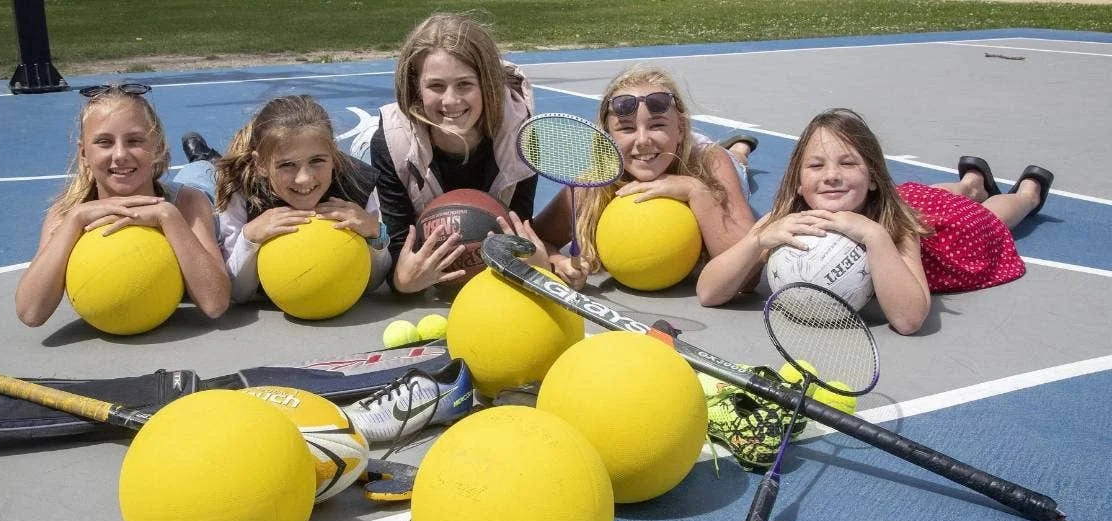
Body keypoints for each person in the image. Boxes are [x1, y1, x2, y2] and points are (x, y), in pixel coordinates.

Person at [696, 108, 1052, 335]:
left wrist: (874, 235)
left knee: (988, 218)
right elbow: (709, 293)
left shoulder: (893, 226)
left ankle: (1026, 194)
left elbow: (909, 320)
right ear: (799, 184)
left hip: (945, 234)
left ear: (874, 177)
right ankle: (970, 183)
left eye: (848, 163)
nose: (831, 176)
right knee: (933, 194)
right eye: (816, 166)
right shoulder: (785, 220)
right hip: (906, 200)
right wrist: (757, 241)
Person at [15, 83, 231, 327]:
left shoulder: (187, 203)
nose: (120, 155)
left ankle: (204, 159)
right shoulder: (67, 213)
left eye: (134, 140)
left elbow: (215, 304)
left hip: (202, 189)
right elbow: (31, 313)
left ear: (157, 147)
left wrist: (168, 217)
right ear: (83, 154)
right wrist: (75, 220)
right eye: (104, 142)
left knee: (206, 174)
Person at [531, 65, 758, 289]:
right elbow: (538, 239)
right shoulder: (591, 187)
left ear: (680, 128)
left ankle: (740, 149)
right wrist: (559, 263)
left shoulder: (711, 163)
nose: (642, 140)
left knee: (737, 161)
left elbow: (749, 278)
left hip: (695, 154)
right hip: (666, 151)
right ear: (607, 136)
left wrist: (696, 191)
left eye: (656, 125)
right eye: (627, 129)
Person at [370, 12, 539, 294]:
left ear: (488, 85)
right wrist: (402, 280)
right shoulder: (390, 145)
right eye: (436, 86)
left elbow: (520, 231)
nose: (451, 100)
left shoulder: (522, 136)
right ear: (416, 88)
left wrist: (543, 260)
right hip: (404, 148)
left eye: (465, 84)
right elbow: (397, 249)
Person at [182, 95, 390, 303]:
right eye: (287, 165)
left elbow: (372, 284)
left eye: (317, 160)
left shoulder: (357, 184)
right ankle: (201, 158)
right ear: (261, 164)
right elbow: (238, 293)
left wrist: (376, 234)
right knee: (201, 177)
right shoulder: (239, 188)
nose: (304, 179)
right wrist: (249, 237)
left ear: (334, 155)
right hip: (221, 177)